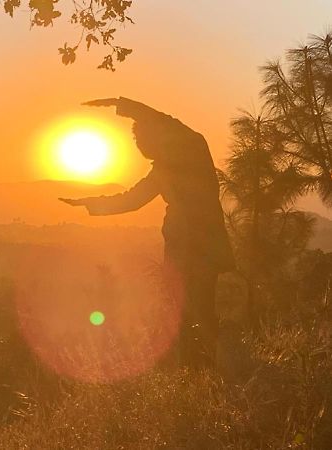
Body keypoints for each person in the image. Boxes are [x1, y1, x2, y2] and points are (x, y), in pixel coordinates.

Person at [60, 97, 234, 368]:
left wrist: (122, 104)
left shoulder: (193, 147)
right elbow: (132, 200)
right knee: (181, 312)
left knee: (200, 308)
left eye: (142, 138)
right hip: (180, 247)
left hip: (204, 249)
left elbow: (168, 121)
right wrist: (91, 203)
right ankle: (193, 372)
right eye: (136, 142)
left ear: (158, 135)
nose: (140, 146)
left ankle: (204, 370)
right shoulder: (161, 170)